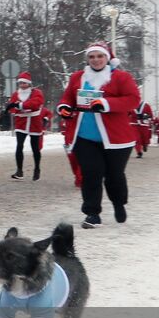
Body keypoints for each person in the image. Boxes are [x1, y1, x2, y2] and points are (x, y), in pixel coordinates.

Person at [58, 41, 139, 228]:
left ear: (107, 58)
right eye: (92, 56)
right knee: (91, 173)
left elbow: (133, 99)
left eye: (100, 56)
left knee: (114, 175)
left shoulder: (121, 77)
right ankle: (92, 213)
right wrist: (64, 108)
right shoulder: (78, 77)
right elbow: (68, 97)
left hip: (116, 138)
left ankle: (119, 203)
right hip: (84, 136)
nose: (96, 60)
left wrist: (106, 103)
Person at [4, 71, 45, 180]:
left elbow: (36, 104)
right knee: (19, 146)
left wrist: (20, 105)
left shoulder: (36, 92)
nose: (22, 85)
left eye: (24, 83)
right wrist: (16, 108)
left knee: (35, 148)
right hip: (21, 123)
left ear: (29, 83)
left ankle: (37, 169)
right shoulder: (16, 94)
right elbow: (11, 107)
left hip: (34, 122)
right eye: (20, 83)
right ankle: (19, 171)